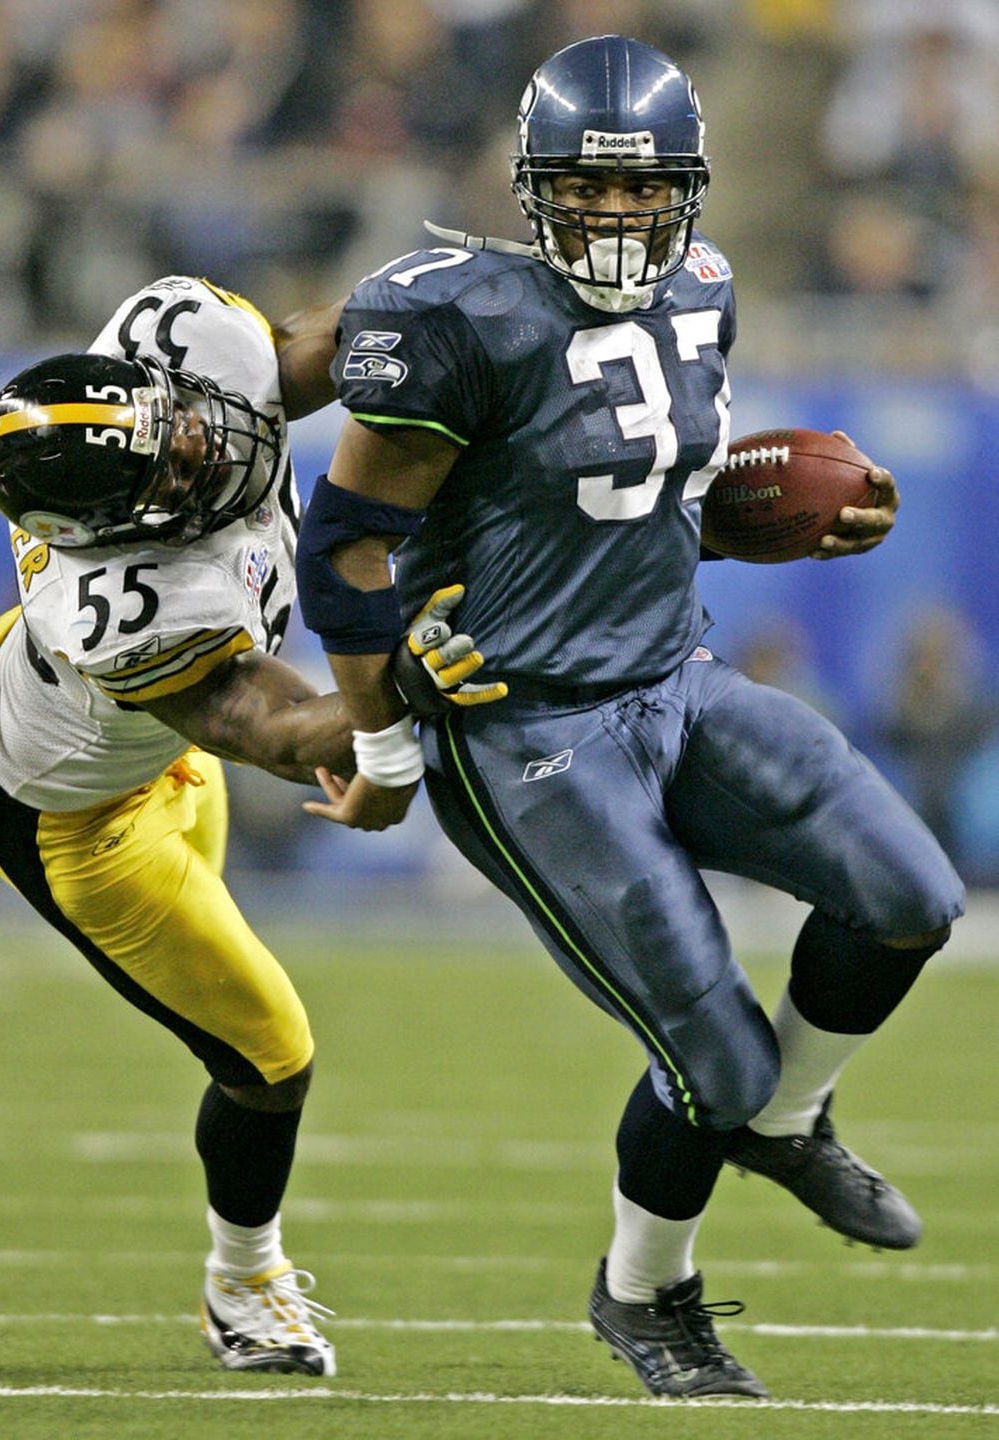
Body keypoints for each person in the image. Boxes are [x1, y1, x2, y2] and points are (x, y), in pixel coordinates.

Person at [294, 34, 965, 1400]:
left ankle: (791, 1116)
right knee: (708, 1054)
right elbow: (347, 551)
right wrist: (377, 746)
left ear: (689, 189)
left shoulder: (707, 289)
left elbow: (638, 502)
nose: (614, 216)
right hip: (527, 731)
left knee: (909, 895)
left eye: (641, 189)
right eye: (584, 191)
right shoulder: (456, 318)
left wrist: (773, 523)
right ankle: (647, 1295)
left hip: (673, 677)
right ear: (533, 187)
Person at [0, 274, 500, 1378]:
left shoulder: (175, 344)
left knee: (2, 775)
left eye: (174, 423)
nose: (203, 444)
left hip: (48, 722)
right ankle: (244, 1282)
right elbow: (272, 727)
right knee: (269, 1056)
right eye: (173, 467)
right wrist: (400, 698)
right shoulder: (125, 607)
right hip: (73, 820)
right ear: (108, 525)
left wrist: (441, 314)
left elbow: (318, 346)